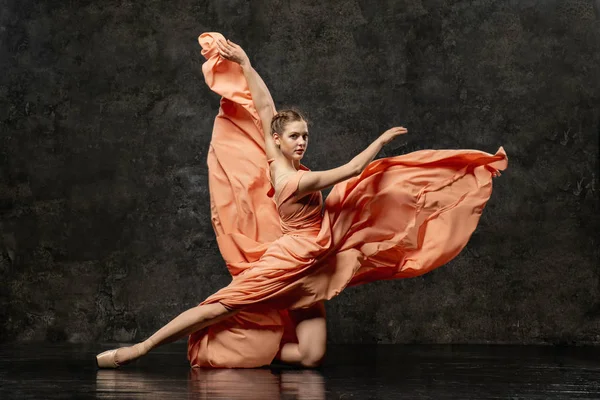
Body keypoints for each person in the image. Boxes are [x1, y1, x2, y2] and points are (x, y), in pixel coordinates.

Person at [96, 33, 507, 369]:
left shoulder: (278, 159)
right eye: (294, 136)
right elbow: (347, 171)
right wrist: (379, 143)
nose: (302, 141)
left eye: (305, 135)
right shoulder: (294, 180)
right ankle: (138, 350)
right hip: (291, 259)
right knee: (215, 309)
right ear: (278, 141)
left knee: (311, 356)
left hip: (315, 261)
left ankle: (257, 345)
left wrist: (245, 62)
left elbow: (263, 106)